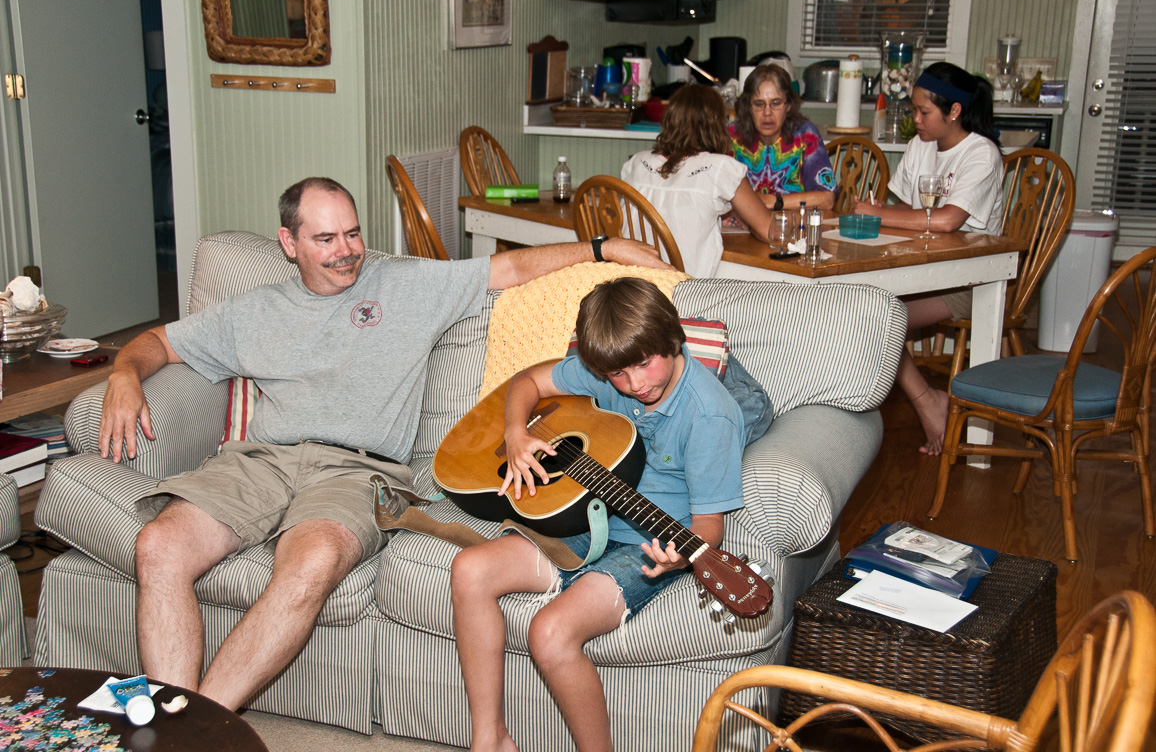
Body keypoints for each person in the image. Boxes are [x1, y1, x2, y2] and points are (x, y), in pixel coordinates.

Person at [97, 177, 672, 712]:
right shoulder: (254, 310)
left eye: (353, 232)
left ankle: (202, 729)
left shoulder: (406, 284)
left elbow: (513, 266)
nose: (347, 249)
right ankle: (178, 728)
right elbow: (157, 342)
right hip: (261, 460)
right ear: (288, 242)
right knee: (159, 546)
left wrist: (602, 248)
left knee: (312, 562)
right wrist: (124, 374)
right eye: (325, 238)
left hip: (358, 472)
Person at [450, 277, 745, 752]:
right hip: (584, 520)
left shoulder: (711, 416)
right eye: (617, 376)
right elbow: (528, 381)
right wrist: (515, 434)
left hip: (646, 544)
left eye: (644, 366)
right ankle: (490, 738)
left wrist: (680, 557)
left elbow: (709, 527)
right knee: (469, 569)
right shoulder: (610, 369)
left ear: (672, 340)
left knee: (549, 633)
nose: (635, 385)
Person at [851, 61, 1004, 454]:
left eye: (924, 112)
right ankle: (923, 400)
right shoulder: (921, 145)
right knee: (859, 305)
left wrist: (880, 214)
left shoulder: (981, 154)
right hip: (922, 270)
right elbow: (903, 208)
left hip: (969, 279)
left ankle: (927, 402)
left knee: (877, 317)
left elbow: (950, 220)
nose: (915, 120)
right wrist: (875, 209)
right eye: (913, 110)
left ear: (954, 111)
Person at [621, 83, 776, 278]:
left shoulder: (637, 162)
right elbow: (769, 231)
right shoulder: (719, 168)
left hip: (631, 291)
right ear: (718, 124)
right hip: (685, 292)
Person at [728, 64, 836, 212]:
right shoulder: (733, 136)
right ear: (748, 106)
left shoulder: (805, 135)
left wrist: (774, 201)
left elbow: (827, 199)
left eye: (776, 103)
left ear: (789, 106)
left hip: (794, 228)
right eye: (759, 104)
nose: (767, 113)